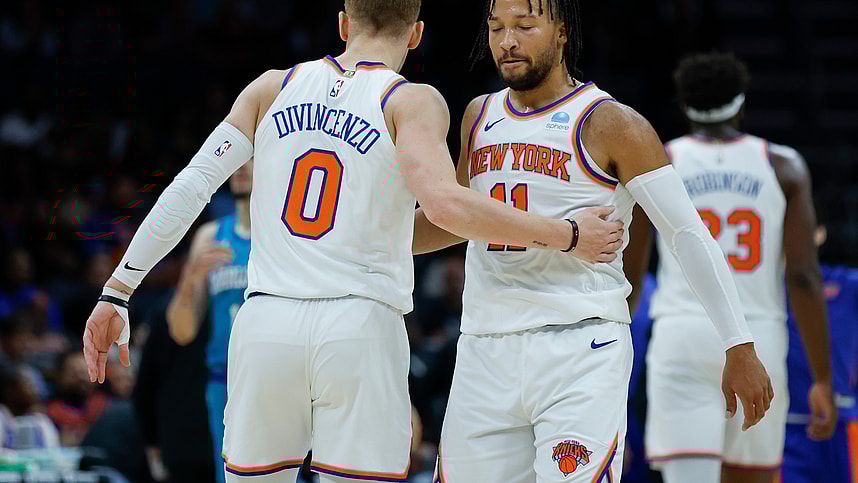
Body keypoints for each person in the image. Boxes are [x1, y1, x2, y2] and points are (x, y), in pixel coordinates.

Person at [82, 1, 626, 481]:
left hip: (268, 322)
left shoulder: (271, 87)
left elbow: (191, 186)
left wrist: (117, 290)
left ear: (342, 24)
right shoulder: (409, 101)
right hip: (360, 327)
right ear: (416, 34)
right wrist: (569, 234)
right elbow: (445, 205)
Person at [414, 2, 773, 481]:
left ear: (561, 32)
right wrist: (358, 235)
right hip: (484, 344)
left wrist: (738, 344)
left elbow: (688, 234)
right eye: (497, 28)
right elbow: (454, 217)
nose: (507, 42)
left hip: (580, 345)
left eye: (524, 26)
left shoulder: (612, 123)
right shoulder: (479, 114)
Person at [639, 52, 836, 483]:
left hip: (681, 336)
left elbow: (630, 275)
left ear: (684, 104)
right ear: (741, 105)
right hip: (756, 336)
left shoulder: (657, 162)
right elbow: (802, 276)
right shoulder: (782, 164)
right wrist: (823, 377)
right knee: (751, 475)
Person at [166, 159, 252, 483]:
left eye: (252, 158)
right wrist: (188, 281)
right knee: (229, 476)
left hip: (276, 374)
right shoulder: (210, 236)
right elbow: (181, 331)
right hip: (224, 380)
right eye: (238, 160)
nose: (241, 167)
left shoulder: (284, 231)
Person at [781, 215, 858, 483]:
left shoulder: (847, 283)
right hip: (784, 425)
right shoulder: (768, 289)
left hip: (843, 423)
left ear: (820, 233)